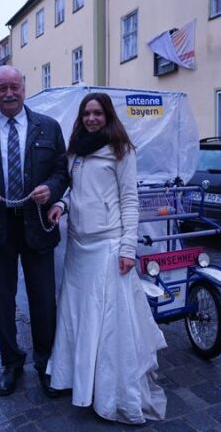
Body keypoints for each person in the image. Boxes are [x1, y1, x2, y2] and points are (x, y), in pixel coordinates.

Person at [45, 93, 167, 424]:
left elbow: (130, 200)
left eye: (98, 113)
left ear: (108, 116)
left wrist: (128, 248)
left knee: (109, 324)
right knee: (78, 316)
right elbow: (75, 191)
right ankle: (77, 381)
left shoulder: (120, 150)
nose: (92, 118)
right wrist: (62, 205)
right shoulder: (76, 151)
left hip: (108, 247)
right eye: (87, 113)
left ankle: (110, 392)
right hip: (78, 247)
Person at [0, 65, 68, 397]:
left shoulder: (48, 128)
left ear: (24, 88)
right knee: (3, 300)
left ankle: (45, 362)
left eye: (14, 87)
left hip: (37, 222)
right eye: (2, 88)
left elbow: (62, 171)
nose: (9, 93)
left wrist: (51, 190)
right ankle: (11, 363)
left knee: (43, 299)